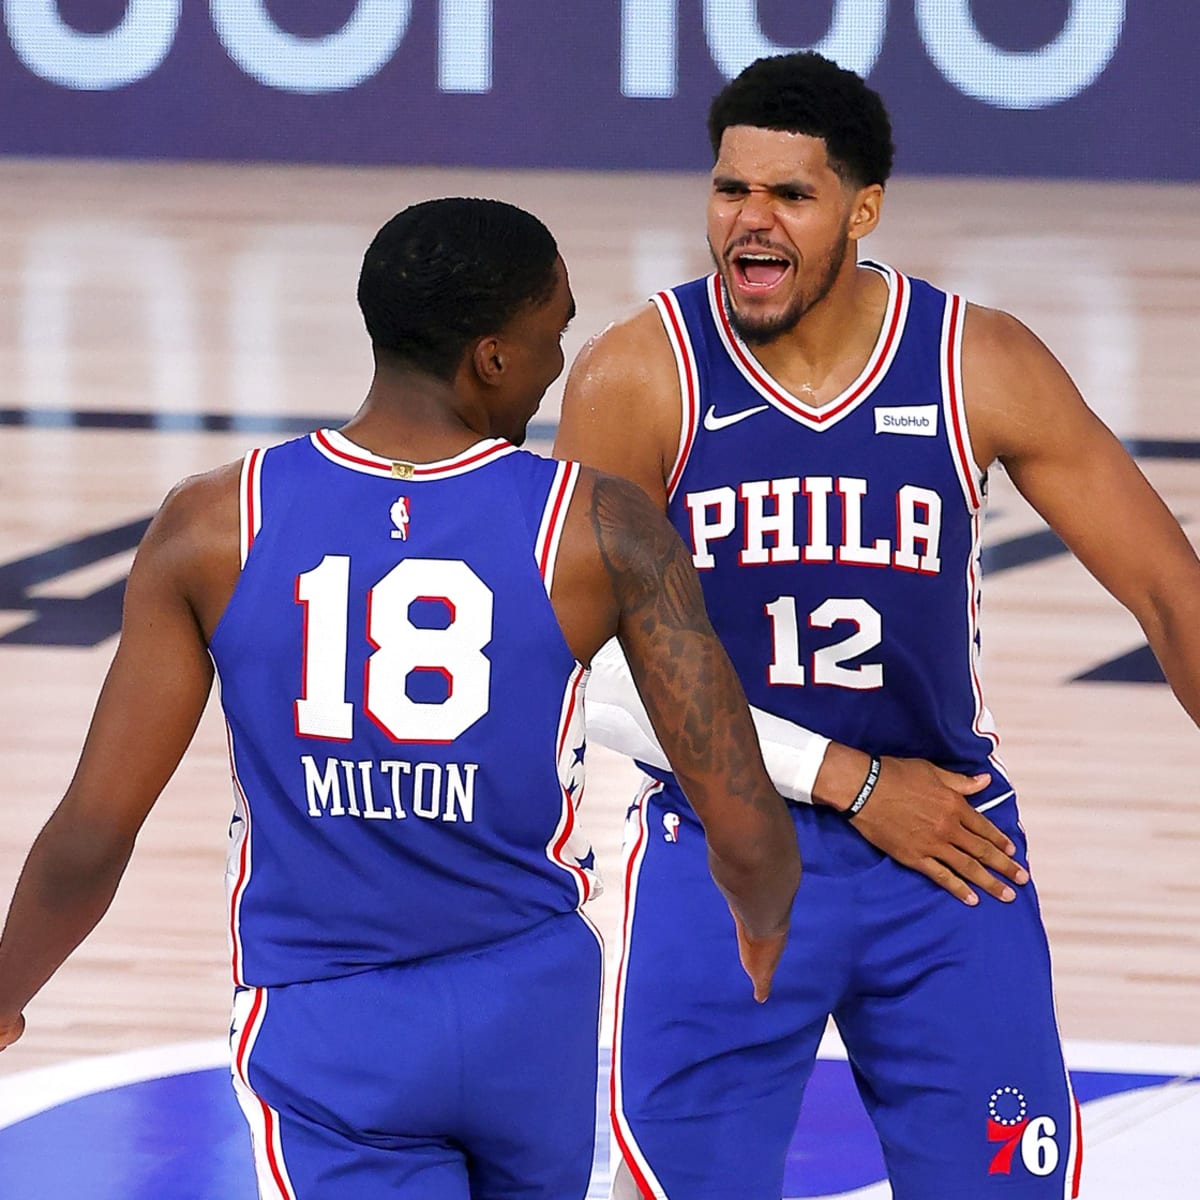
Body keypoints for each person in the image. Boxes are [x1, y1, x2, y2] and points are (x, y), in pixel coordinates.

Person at [0, 198, 801, 1200]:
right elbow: (744, 821)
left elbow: (93, 832)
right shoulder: (603, 528)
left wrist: (7, 991)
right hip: (532, 1014)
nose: (559, 365)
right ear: (492, 359)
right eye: (553, 336)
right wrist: (763, 925)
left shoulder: (214, 523)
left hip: (332, 1023)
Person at [555, 52, 1200, 1200]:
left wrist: (887, 796)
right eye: (729, 189)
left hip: (949, 854)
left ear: (863, 210)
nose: (749, 221)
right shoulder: (640, 373)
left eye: (790, 195)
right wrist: (853, 783)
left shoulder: (975, 360)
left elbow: (1168, 593)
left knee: (1006, 1177)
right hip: (722, 853)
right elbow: (594, 674)